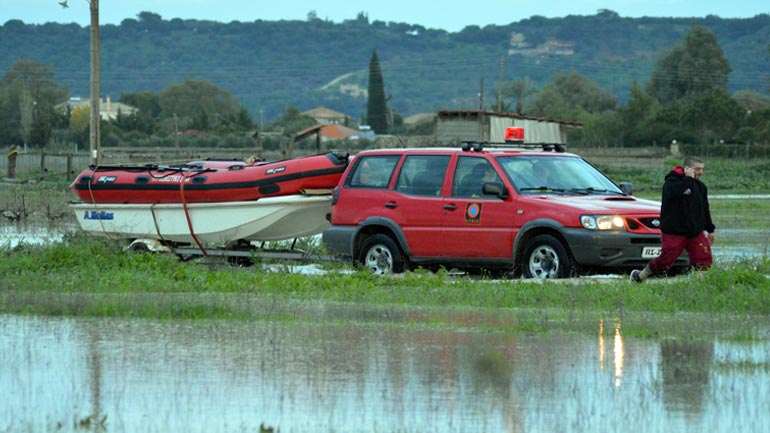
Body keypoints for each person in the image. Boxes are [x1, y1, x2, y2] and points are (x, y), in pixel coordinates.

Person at [631, 156, 716, 282]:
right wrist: (688, 179)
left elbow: (704, 209)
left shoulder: (701, 187)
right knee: (665, 260)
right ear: (687, 169)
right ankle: (639, 276)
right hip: (673, 231)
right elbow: (678, 192)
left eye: (702, 169)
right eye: (697, 169)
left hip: (694, 231)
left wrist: (710, 229)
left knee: (703, 258)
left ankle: (700, 285)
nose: (701, 172)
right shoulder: (671, 183)